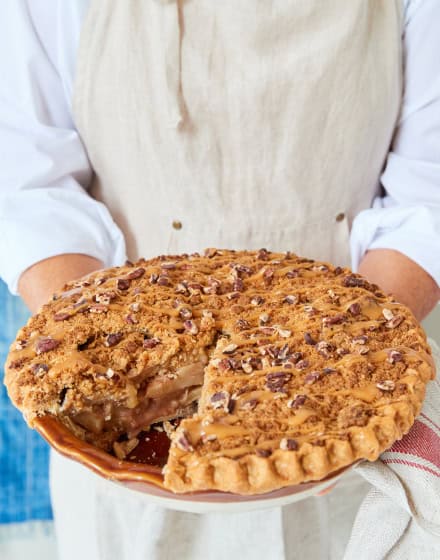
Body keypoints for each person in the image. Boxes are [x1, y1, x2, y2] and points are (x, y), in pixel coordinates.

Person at [1, 1, 439, 559]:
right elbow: (28, 183)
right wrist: (90, 358)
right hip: (121, 490)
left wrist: (337, 372)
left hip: (354, 437)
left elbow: (430, 193)